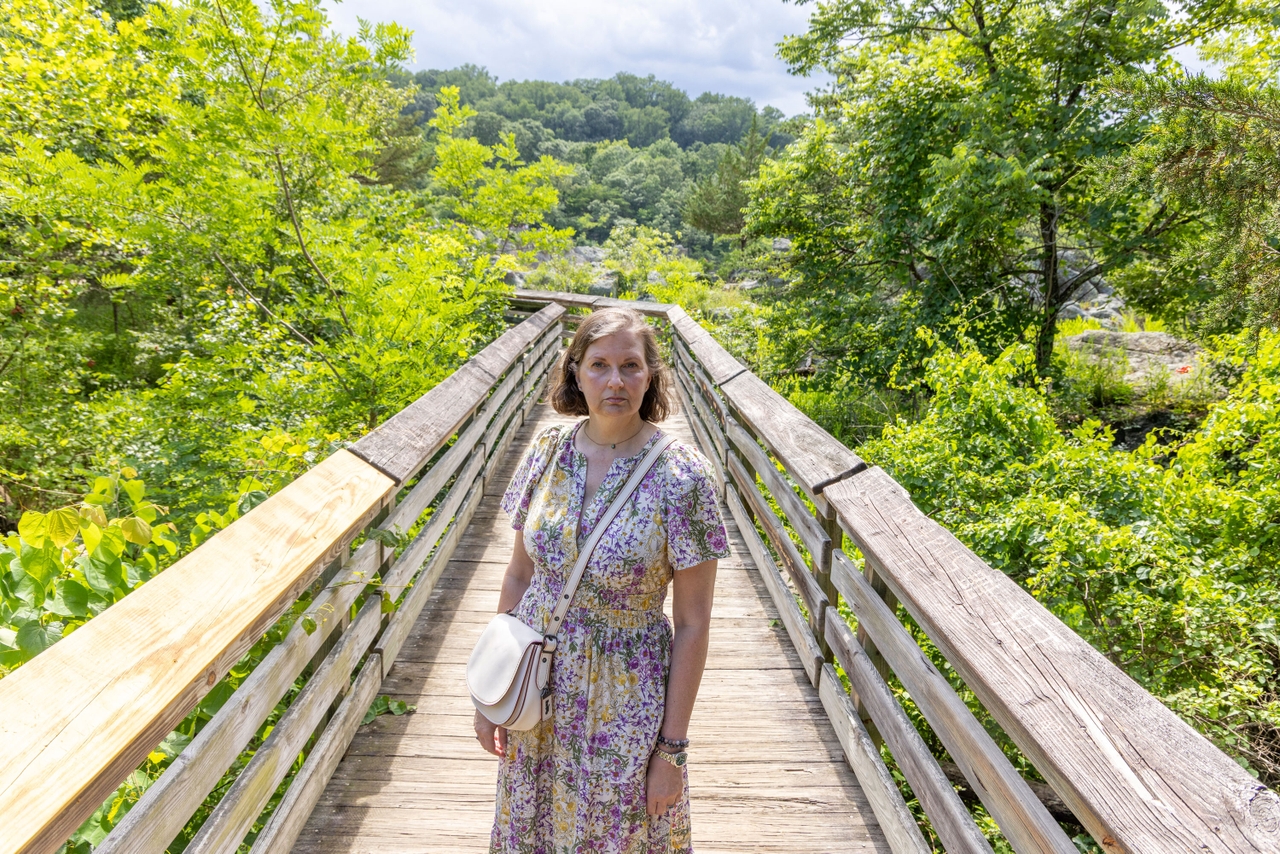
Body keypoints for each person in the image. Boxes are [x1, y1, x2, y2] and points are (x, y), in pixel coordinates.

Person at [474, 306, 730, 853]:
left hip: (625, 696)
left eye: (631, 366)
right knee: (532, 830)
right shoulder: (546, 453)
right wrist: (489, 692)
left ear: (652, 375)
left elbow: (692, 622)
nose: (615, 381)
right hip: (536, 685)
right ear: (575, 372)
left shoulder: (684, 477)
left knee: (616, 837)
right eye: (599, 365)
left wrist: (671, 750)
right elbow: (520, 575)